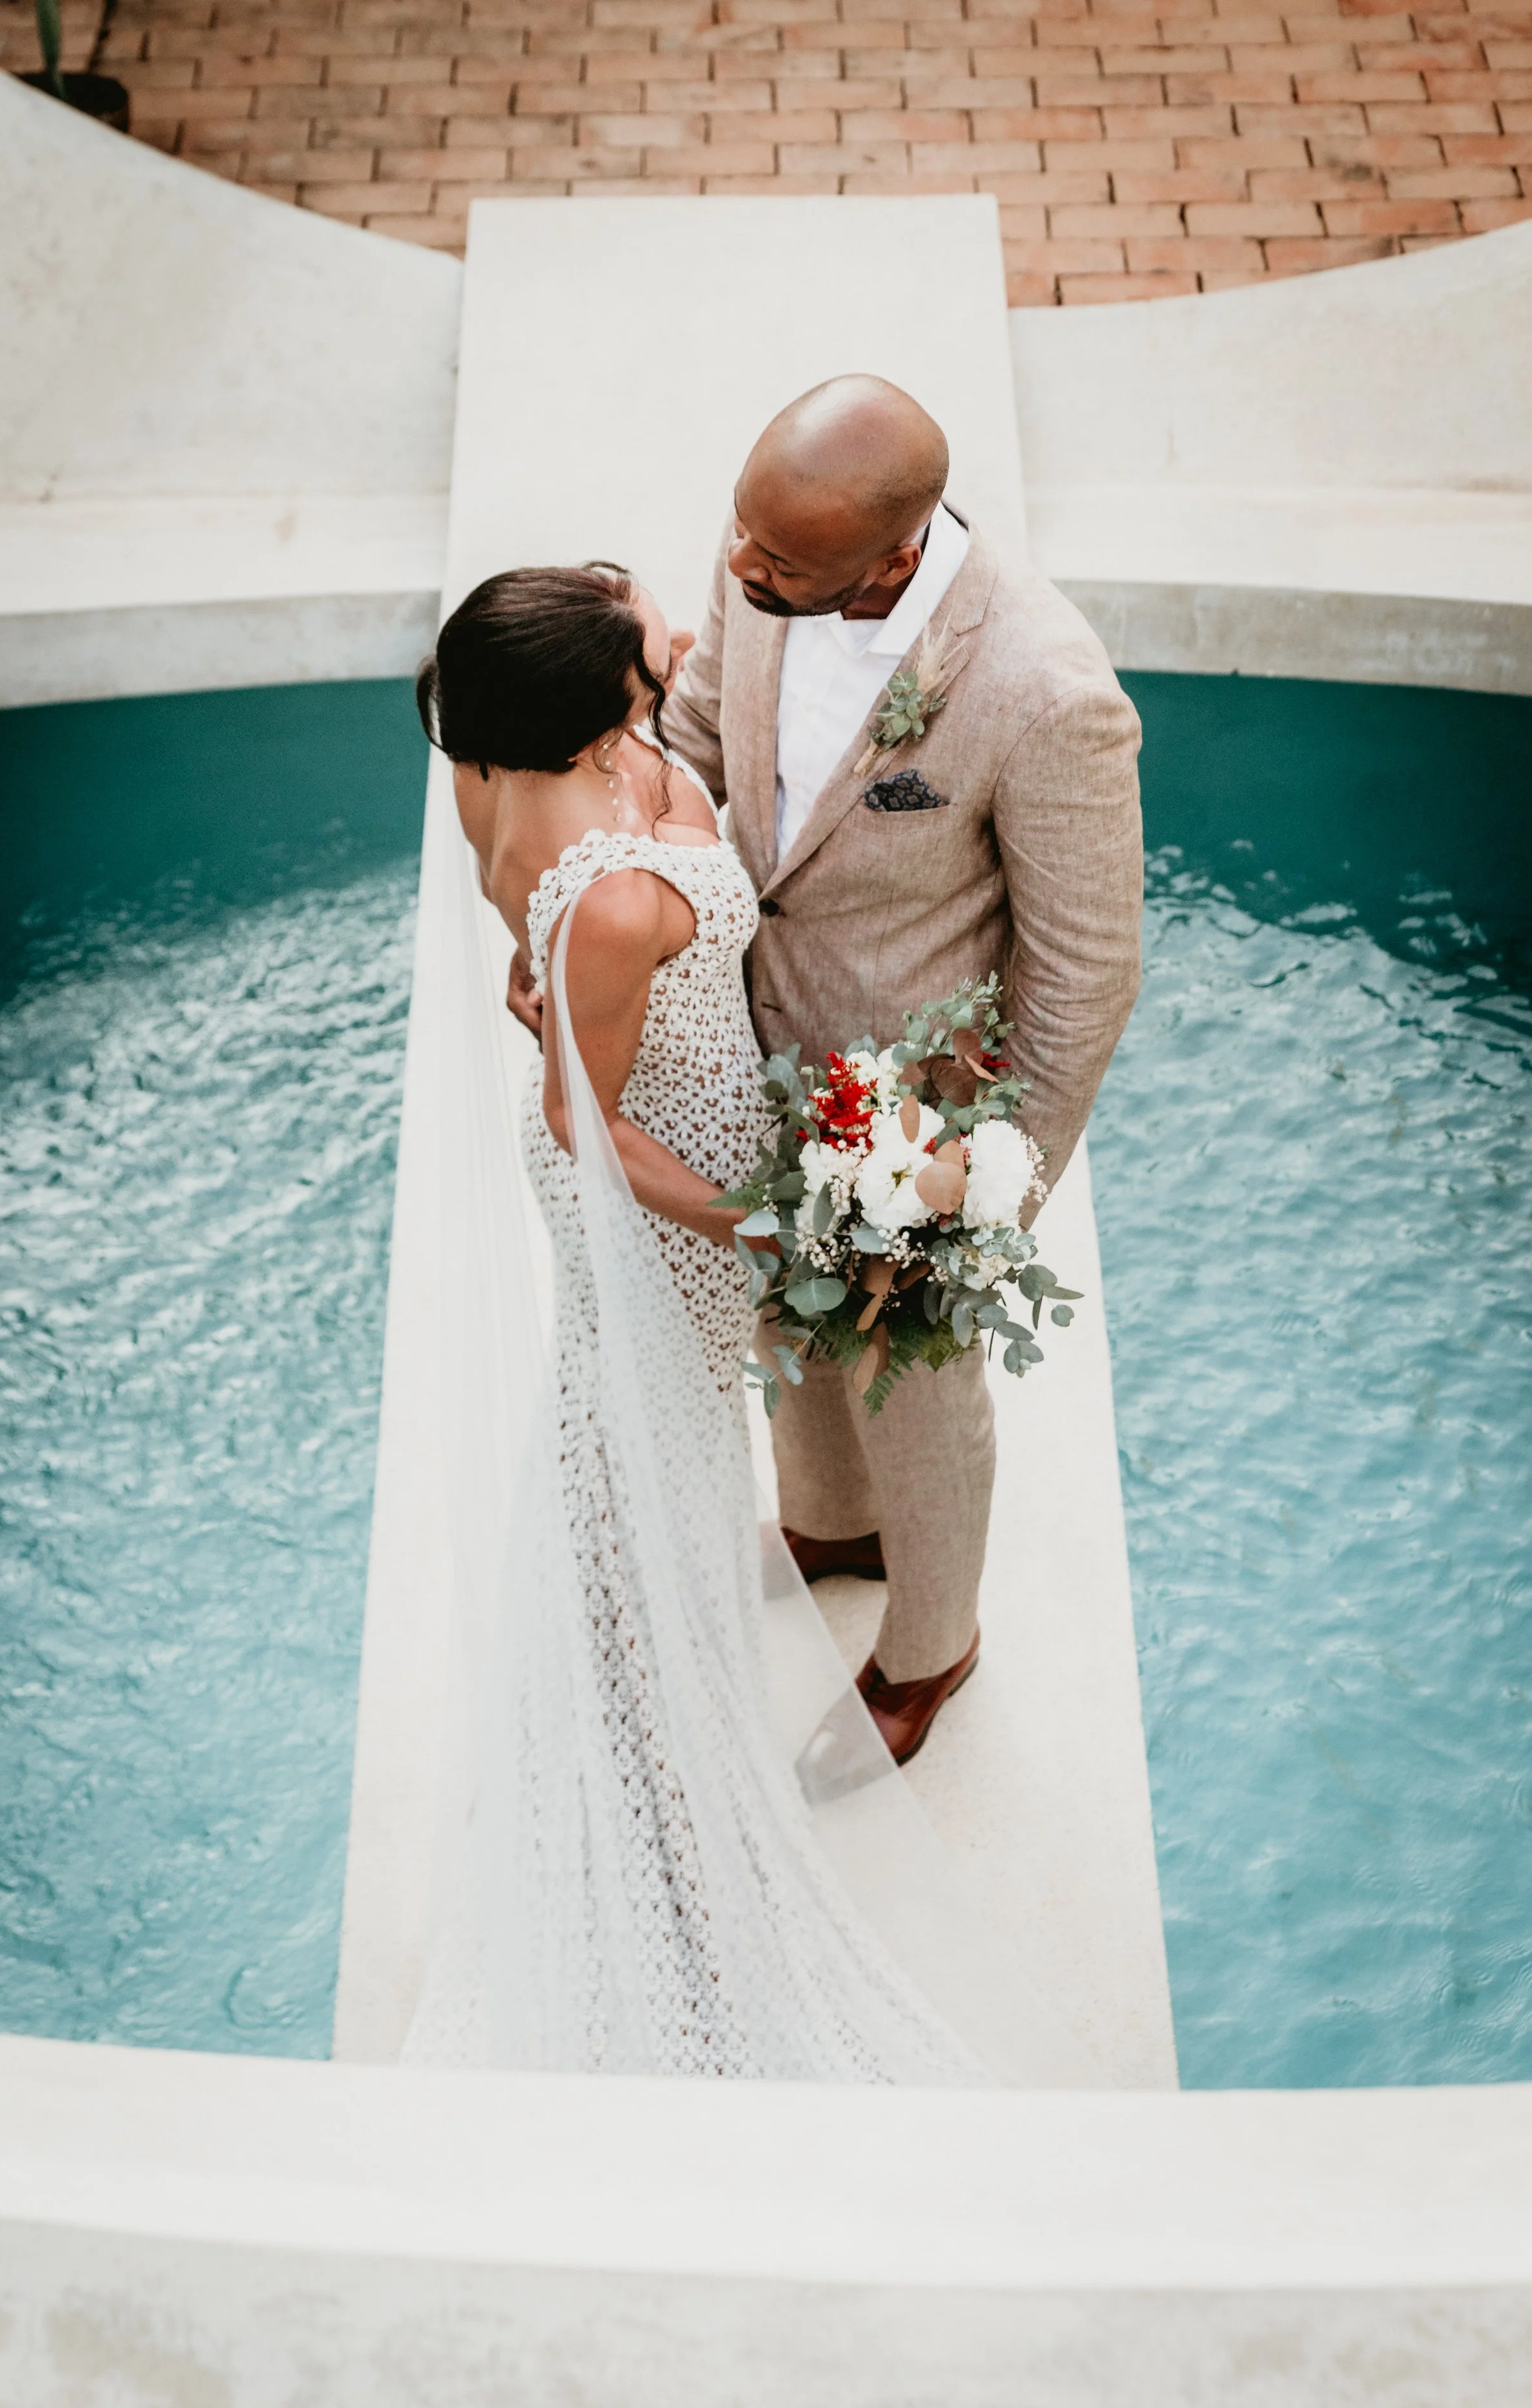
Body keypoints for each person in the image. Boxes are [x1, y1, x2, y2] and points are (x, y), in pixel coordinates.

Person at [405, 560, 1087, 2084]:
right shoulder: (614, 889)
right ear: (592, 726)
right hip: (659, 1207)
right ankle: (634, 1751)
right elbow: (584, 1132)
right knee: (629, 1453)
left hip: (701, 1131)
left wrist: (553, 996)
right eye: (647, 641)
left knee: (660, 1448)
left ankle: (643, 1634)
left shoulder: (530, 765)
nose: (679, 632)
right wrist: (770, 1218)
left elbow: (540, 968)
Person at [652, 374, 1146, 1768]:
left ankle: (930, 1647)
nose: (742, 573)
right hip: (744, 1038)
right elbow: (692, 737)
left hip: (916, 1116)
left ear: (889, 556)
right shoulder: (764, 559)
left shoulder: (1046, 692)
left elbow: (1084, 970)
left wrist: (989, 1191)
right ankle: (828, 1524)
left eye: (777, 563)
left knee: (912, 1386)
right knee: (781, 1318)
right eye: (739, 543)